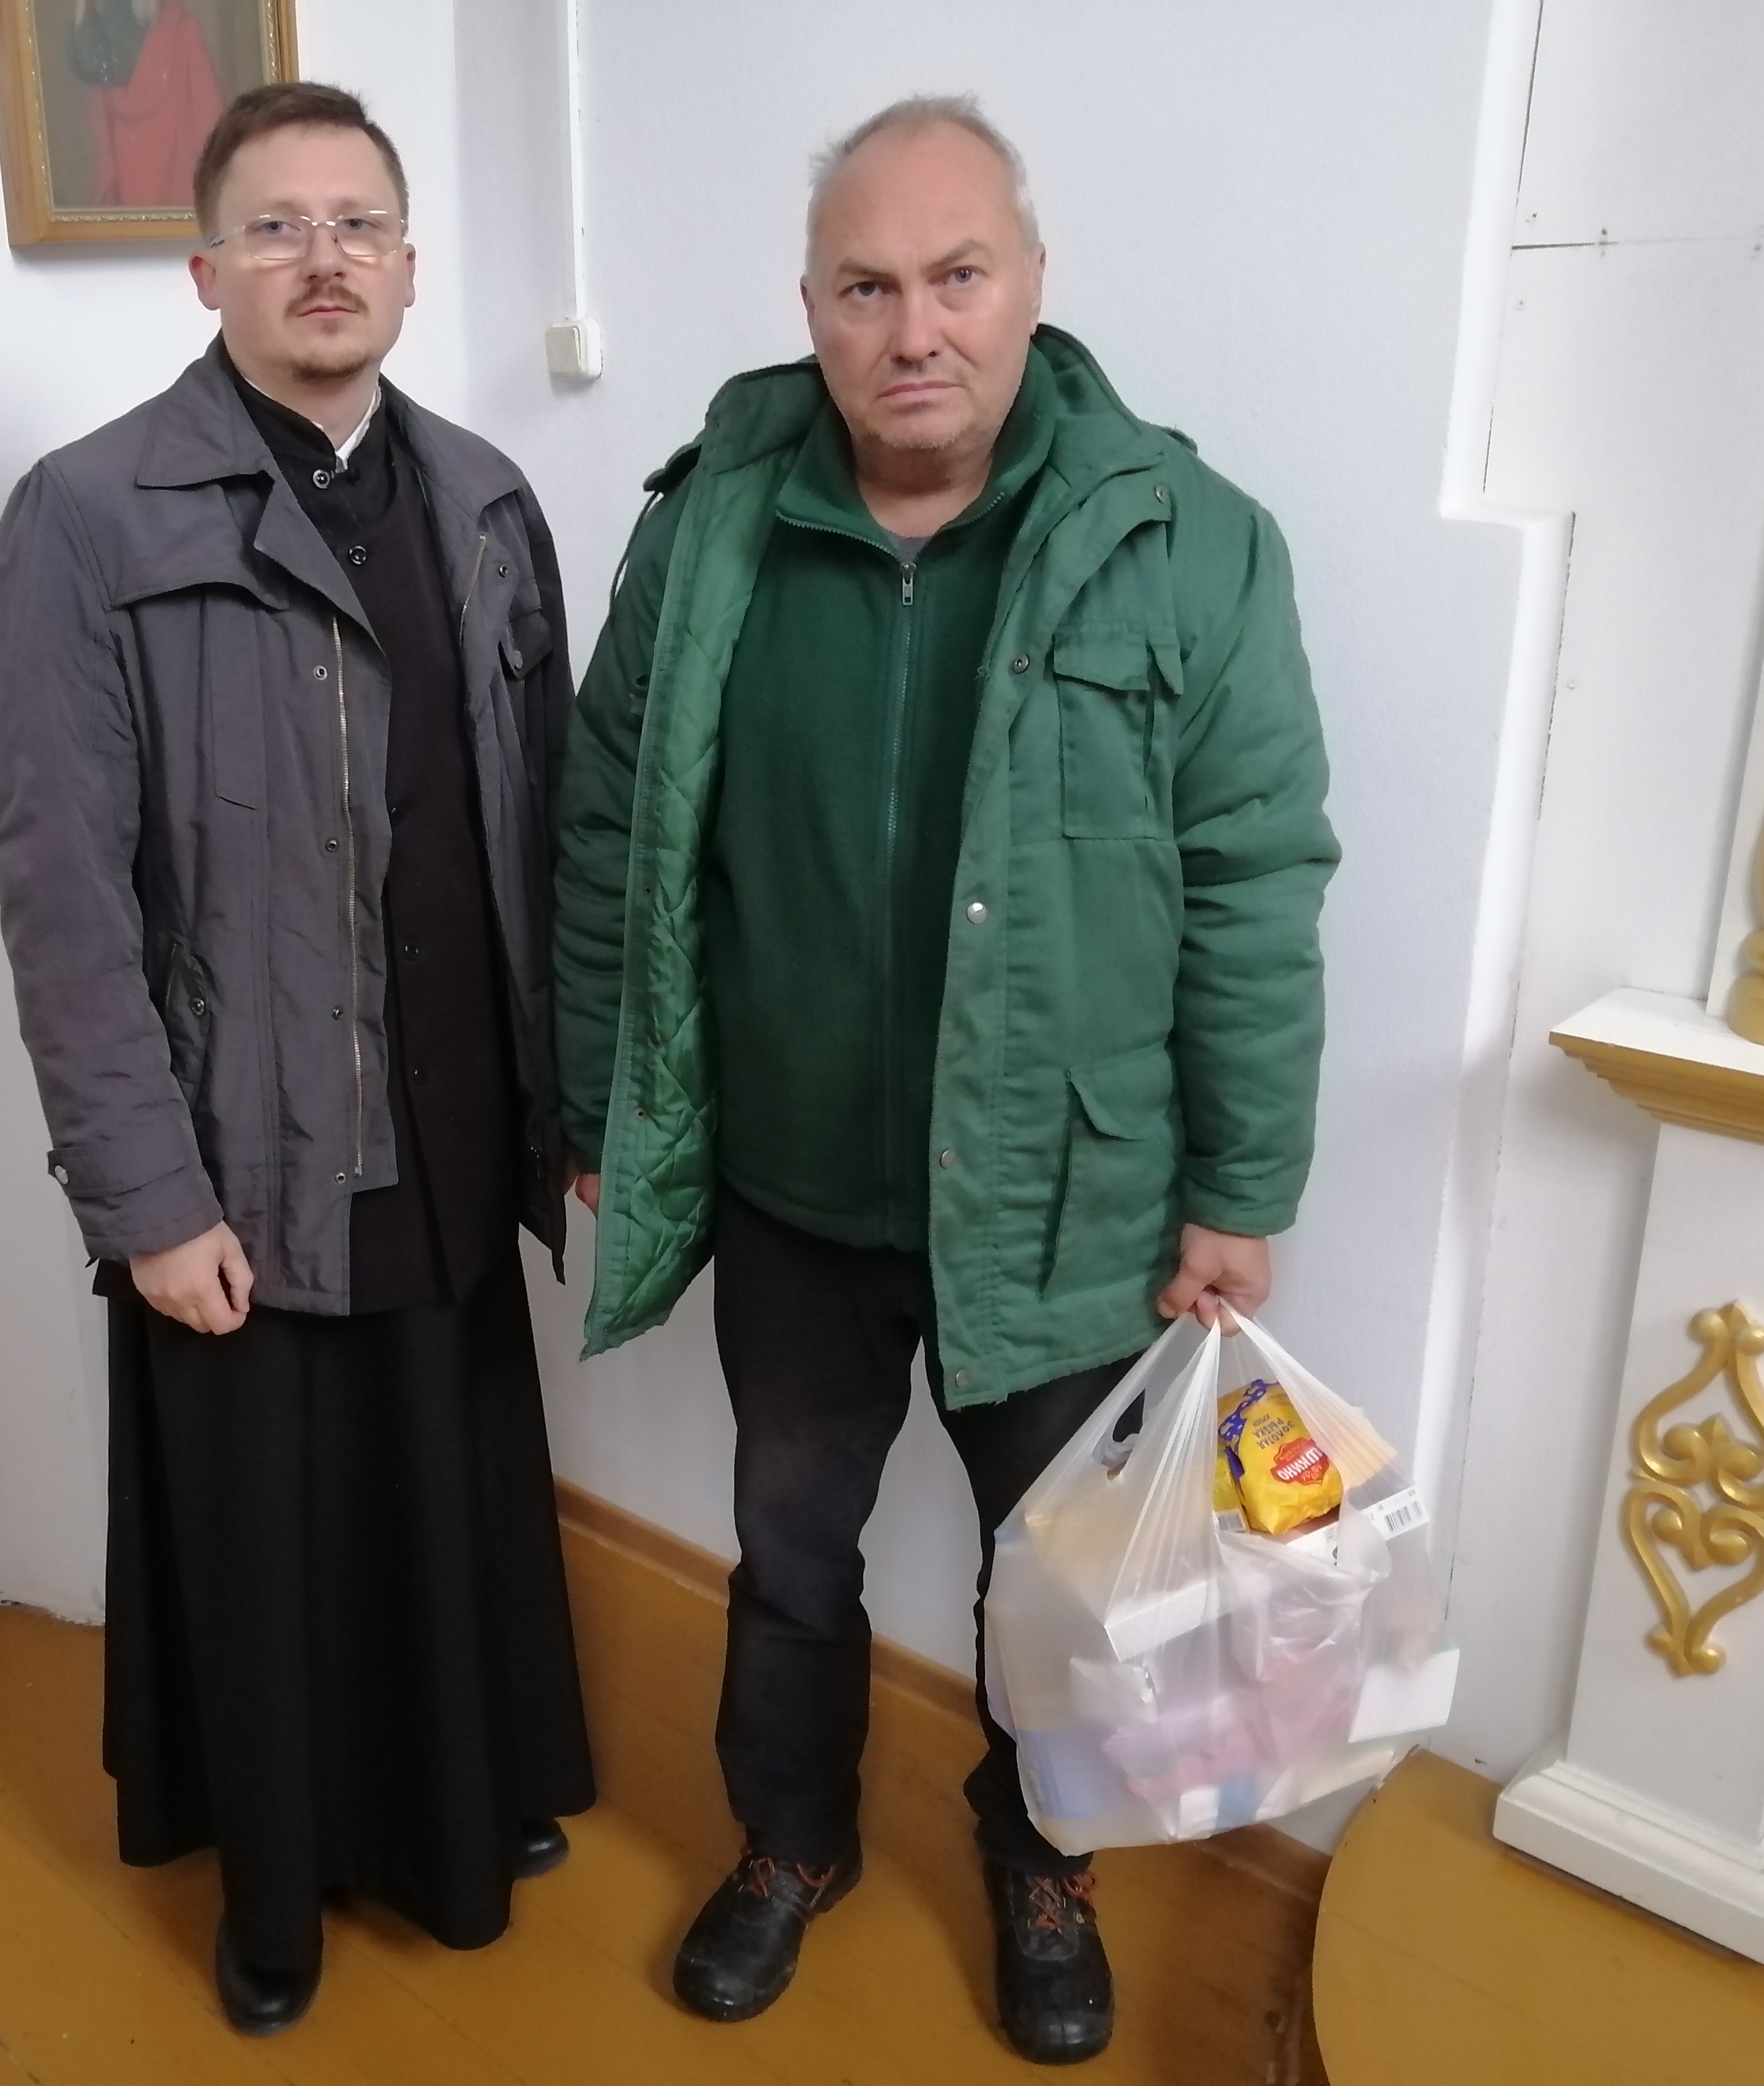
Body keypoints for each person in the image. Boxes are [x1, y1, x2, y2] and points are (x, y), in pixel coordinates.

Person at [553, 97, 1337, 2066]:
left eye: (957, 275)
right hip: (793, 1188)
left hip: (1071, 1206)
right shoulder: (711, 531)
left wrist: (1238, 1186)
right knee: (787, 1553)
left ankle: (1040, 1859)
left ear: (1032, 282)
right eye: (866, 286)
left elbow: (1253, 878)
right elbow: (609, 834)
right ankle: (790, 1837)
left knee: (1057, 1586)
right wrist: (595, 1103)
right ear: (810, 308)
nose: (915, 329)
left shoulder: (1189, 541)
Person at [0, 80, 593, 2038]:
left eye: (358, 225)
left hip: (452, 1115)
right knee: (270, 1532)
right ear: (205, 270)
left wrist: (567, 1105)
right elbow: (60, 895)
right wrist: (144, 1197)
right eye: (276, 226)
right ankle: (275, 1892)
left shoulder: (484, 499)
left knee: (445, 1485)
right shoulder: (84, 520)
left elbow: (550, 834)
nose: (323, 260)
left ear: (408, 266)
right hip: (239, 1145)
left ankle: (458, 1813)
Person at [66, 0, 226, 209]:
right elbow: (208, 119)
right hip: (170, 198)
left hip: (145, 194)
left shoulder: (182, 30)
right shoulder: (183, 29)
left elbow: (208, 119)